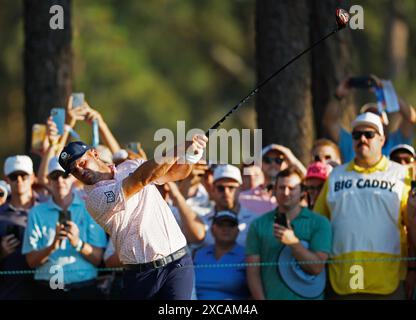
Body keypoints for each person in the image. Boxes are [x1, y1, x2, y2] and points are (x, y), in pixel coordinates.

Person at [58, 134, 208, 300]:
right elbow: (141, 179)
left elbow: (175, 173)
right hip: (140, 274)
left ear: (94, 153)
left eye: (82, 162)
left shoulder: (131, 165)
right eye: (73, 170)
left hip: (177, 263)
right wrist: (179, 148)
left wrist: (191, 154)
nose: (80, 170)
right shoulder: (94, 198)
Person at [314, 112, 413, 299]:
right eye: (356, 135)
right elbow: (320, 222)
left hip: (388, 281)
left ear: (382, 140)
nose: (362, 139)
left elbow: (412, 225)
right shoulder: (336, 175)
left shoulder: (400, 174)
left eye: (369, 134)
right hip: (342, 279)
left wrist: (413, 269)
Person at [22, 157, 107, 299]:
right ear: (49, 180)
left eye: (64, 175)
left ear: (73, 178)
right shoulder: (36, 212)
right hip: (47, 291)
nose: (60, 181)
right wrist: (53, 246)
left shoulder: (90, 208)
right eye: (55, 176)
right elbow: (31, 262)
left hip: (84, 289)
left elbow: (97, 259)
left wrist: (77, 243)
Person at [246, 166, 331, 300]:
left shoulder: (320, 223)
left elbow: (316, 267)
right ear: (274, 191)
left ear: (302, 192)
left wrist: (293, 244)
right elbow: (253, 273)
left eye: (292, 188)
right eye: (281, 188)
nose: (286, 193)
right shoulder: (258, 225)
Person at [324, 75, 416, 162]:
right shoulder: (351, 144)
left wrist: (386, 91)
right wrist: (338, 96)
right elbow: (330, 121)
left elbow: (410, 117)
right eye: (365, 117)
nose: (370, 119)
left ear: (385, 122)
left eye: (376, 115)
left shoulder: (397, 142)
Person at [0, 155, 39, 299]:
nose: (19, 181)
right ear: (7, 180)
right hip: (10, 291)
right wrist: (1, 253)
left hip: (46, 289)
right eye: (14, 176)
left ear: (33, 177)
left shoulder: (49, 209)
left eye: (24, 175)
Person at [195, 164, 258, 249]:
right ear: (213, 189)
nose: (226, 192)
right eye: (221, 188)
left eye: (231, 187)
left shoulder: (254, 221)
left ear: (240, 189)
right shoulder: (201, 221)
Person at [194, 211, 250, 300]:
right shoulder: (198, 254)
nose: (226, 229)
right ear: (212, 230)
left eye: (230, 225)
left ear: (238, 231)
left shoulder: (247, 256)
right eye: (221, 225)